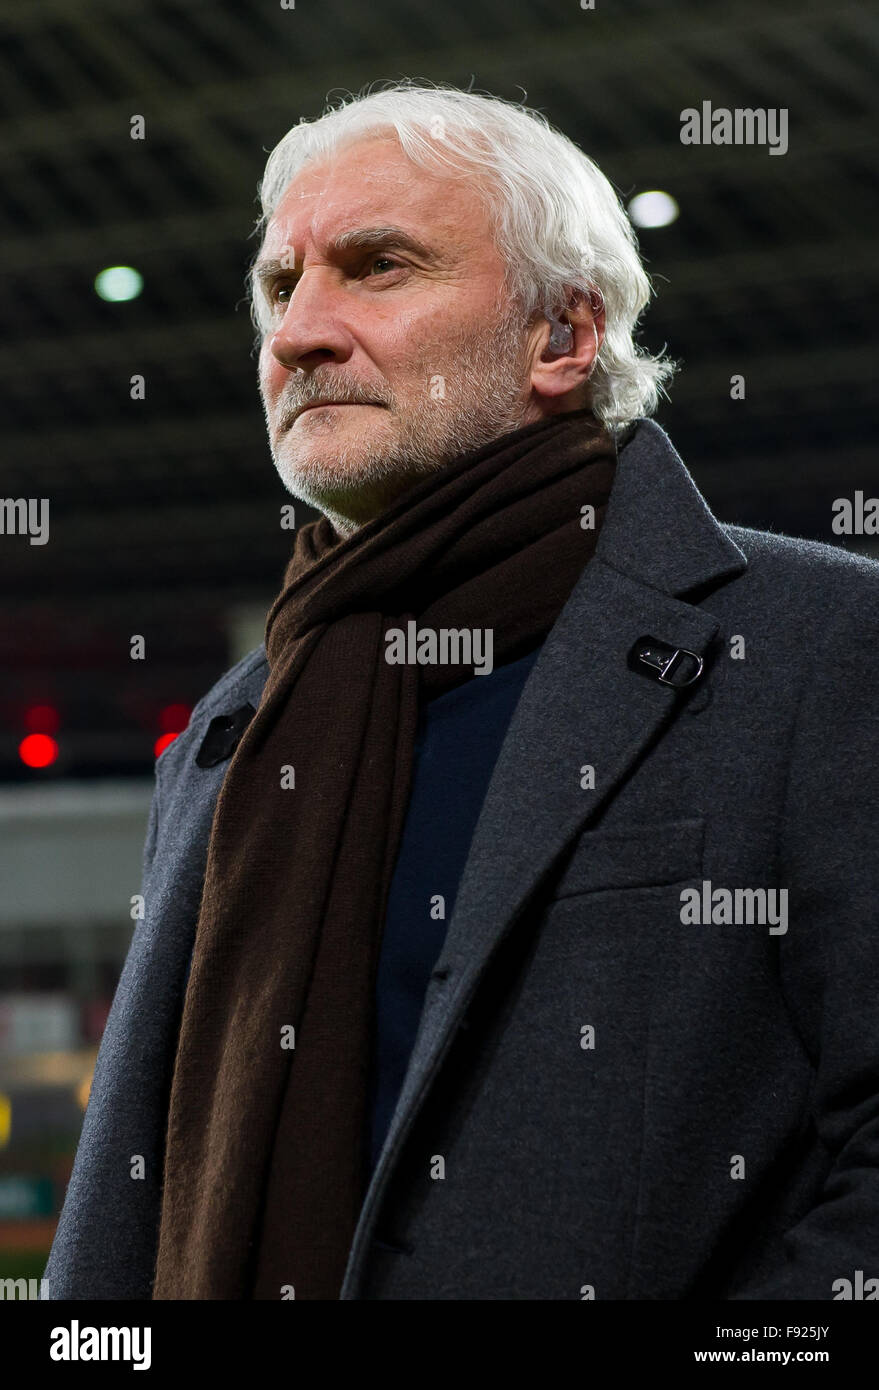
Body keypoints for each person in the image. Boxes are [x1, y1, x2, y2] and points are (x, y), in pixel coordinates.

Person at [45, 81, 879, 1301]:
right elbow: (130, 1195)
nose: (299, 334)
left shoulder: (818, 647)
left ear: (563, 336)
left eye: (377, 268)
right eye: (282, 287)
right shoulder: (233, 728)